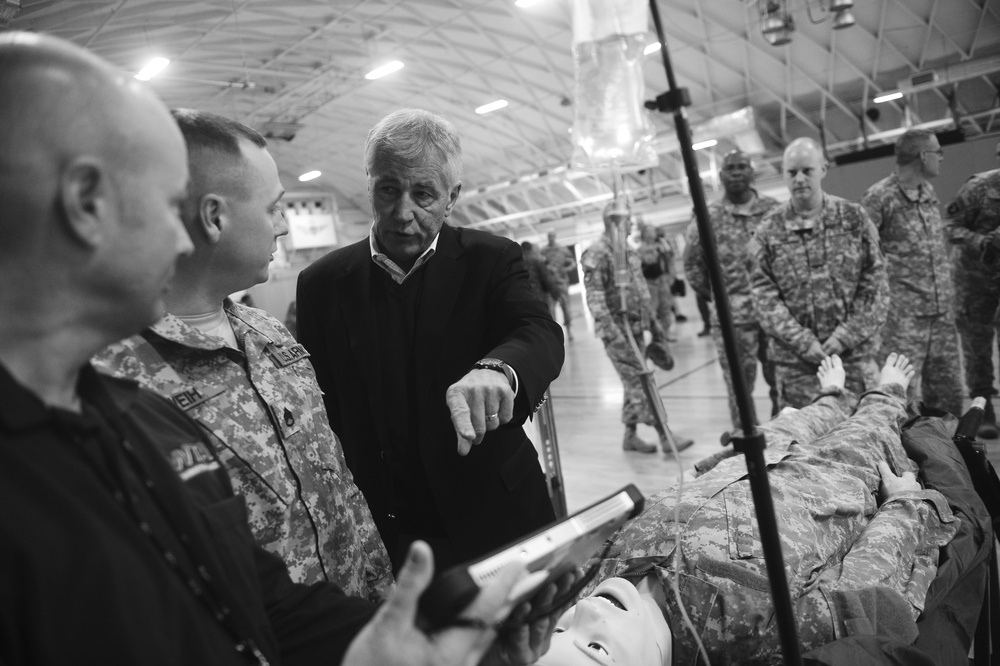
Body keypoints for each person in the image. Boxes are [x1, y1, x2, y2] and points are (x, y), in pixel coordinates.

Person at [0, 31, 568, 666]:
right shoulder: (125, 398)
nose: (182, 237)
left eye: (425, 194)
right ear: (86, 203)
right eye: (168, 204)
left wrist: (376, 636)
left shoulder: (126, 406)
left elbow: (234, 576)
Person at [92, 109, 393, 602]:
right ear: (215, 217)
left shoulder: (268, 334)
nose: (283, 228)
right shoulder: (118, 378)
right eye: (274, 208)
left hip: (357, 628)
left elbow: (340, 487)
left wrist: (384, 604)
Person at [536, 354, 964, 666]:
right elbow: (871, 592)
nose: (588, 612)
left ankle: (831, 395)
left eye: (561, 629)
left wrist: (713, 463)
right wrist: (905, 504)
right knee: (874, 416)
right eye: (596, 648)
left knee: (802, 414)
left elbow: (673, 499)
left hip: (757, 458)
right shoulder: (750, 635)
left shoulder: (592, 577)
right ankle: (884, 393)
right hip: (837, 476)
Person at [296, 108, 563, 573]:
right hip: (383, 530)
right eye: (388, 189)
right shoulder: (321, 284)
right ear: (370, 186)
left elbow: (538, 330)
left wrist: (498, 369)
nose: (403, 213)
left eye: (423, 194)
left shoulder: (491, 259)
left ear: (451, 197)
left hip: (493, 514)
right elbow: (325, 405)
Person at [750, 138, 889, 409]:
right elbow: (764, 297)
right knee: (803, 446)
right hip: (798, 367)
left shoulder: (854, 218)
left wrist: (846, 335)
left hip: (853, 360)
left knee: (863, 439)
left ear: (823, 169)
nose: (799, 178)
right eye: (792, 172)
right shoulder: (768, 230)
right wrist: (802, 341)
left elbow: (877, 284)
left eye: (807, 170)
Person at [860, 129, 964, 418]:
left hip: (941, 316)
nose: (941, 158)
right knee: (901, 401)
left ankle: (950, 457)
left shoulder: (927, 192)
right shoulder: (880, 197)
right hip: (903, 321)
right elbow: (861, 255)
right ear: (923, 155)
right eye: (938, 152)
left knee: (949, 396)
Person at [580, 200, 695, 455]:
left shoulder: (627, 251)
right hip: (618, 335)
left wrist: (654, 324)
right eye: (628, 220)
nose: (632, 224)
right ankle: (665, 435)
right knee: (641, 384)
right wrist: (614, 334)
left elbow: (642, 291)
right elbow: (595, 299)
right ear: (615, 222)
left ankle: (629, 437)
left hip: (636, 329)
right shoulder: (597, 253)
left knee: (636, 383)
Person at [684, 149, 781, 429]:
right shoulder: (707, 216)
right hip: (733, 323)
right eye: (730, 168)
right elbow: (692, 267)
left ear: (752, 171)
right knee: (740, 390)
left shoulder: (773, 211)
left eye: (742, 167)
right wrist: (721, 298)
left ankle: (783, 439)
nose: (736, 173)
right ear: (721, 175)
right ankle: (746, 452)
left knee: (783, 384)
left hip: (776, 317)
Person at [945, 139, 1000, 437]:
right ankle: (984, 407)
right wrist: (984, 240)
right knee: (977, 344)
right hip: (973, 278)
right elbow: (950, 226)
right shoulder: (979, 188)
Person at [637, 224, 676, 342]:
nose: (651, 233)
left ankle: (666, 334)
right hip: (649, 283)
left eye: (653, 231)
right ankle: (656, 336)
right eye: (648, 231)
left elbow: (669, 261)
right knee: (651, 310)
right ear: (643, 234)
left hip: (662, 280)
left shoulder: (662, 246)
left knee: (666, 308)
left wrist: (671, 276)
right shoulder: (639, 250)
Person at [542, 230, 577, 341]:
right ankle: (555, 333)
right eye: (549, 236)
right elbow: (541, 265)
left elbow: (572, 262)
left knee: (566, 307)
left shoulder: (562, 249)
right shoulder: (543, 251)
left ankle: (569, 330)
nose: (551, 238)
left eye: (552, 236)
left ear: (555, 236)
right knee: (551, 310)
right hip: (550, 284)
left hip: (562, 282)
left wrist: (566, 269)